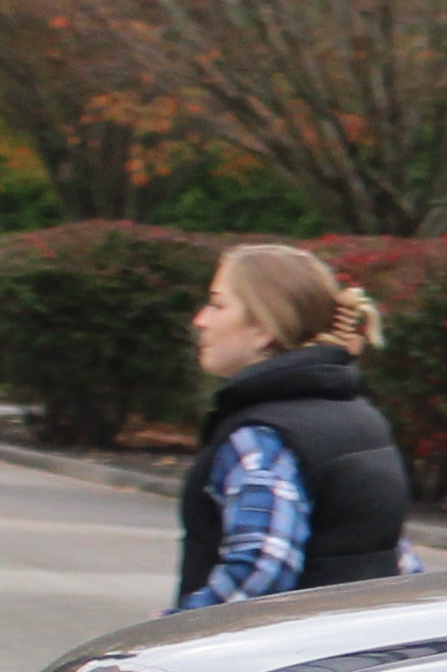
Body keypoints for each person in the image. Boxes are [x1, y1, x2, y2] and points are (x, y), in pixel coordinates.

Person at [173, 244, 414, 612]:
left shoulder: (262, 436)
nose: (200, 320)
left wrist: (175, 631)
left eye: (218, 305)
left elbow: (262, 567)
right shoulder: (361, 419)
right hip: (349, 652)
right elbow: (395, 557)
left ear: (264, 329)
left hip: (272, 659)